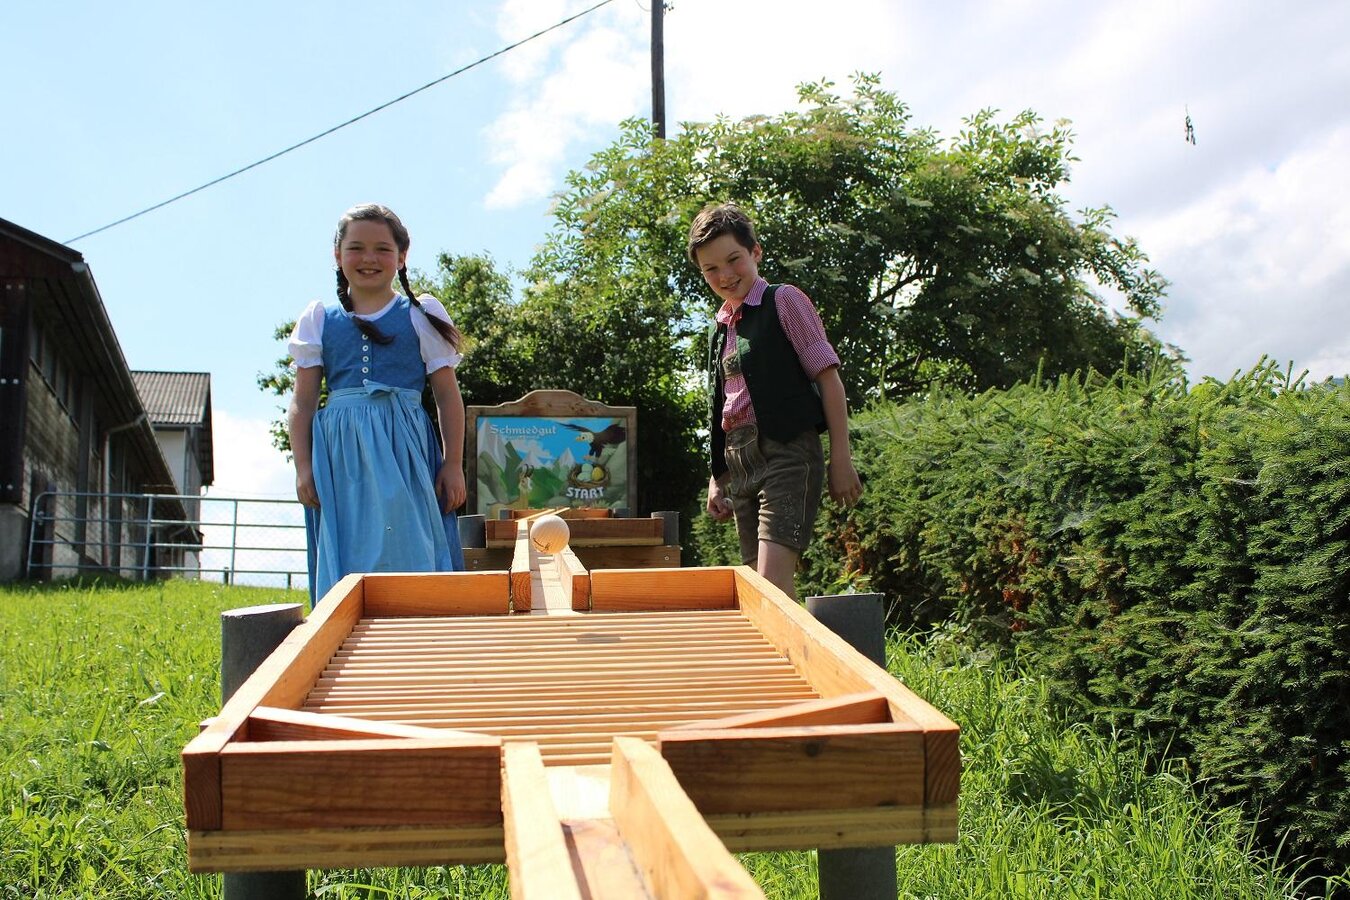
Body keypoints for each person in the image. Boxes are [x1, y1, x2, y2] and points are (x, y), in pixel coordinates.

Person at [287, 203, 466, 604]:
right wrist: (303, 467)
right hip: (341, 454)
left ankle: (419, 623)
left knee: (411, 536)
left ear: (402, 257)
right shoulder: (320, 319)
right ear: (338, 255)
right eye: (356, 248)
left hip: (405, 448)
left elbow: (446, 396)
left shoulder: (420, 314)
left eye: (382, 249)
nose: (369, 258)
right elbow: (302, 402)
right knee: (349, 540)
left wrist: (452, 463)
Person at [689, 202, 863, 600]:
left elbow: (829, 379)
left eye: (733, 259)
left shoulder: (784, 301)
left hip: (788, 455)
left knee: (771, 586)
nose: (724, 275)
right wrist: (717, 477)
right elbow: (724, 408)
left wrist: (841, 458)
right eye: (711, 269)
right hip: (740, 464)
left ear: (755, 252)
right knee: (761, 595)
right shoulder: (719, 329)